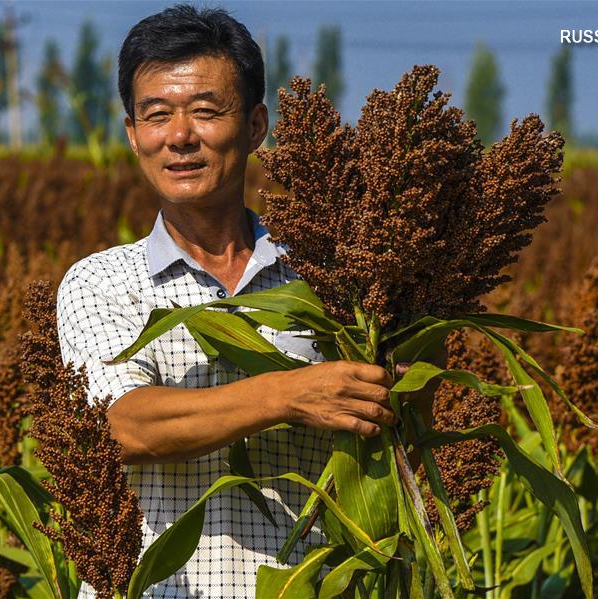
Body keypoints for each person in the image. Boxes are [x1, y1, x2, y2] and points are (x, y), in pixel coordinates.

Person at [56, 5, 425, 597]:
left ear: (256, 126)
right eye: (156, 116)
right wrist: (291, 394)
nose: (179, 136)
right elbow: (124, 425)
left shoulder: (333, 280)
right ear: (132, 133)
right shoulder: (103, 282)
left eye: (206, 111)